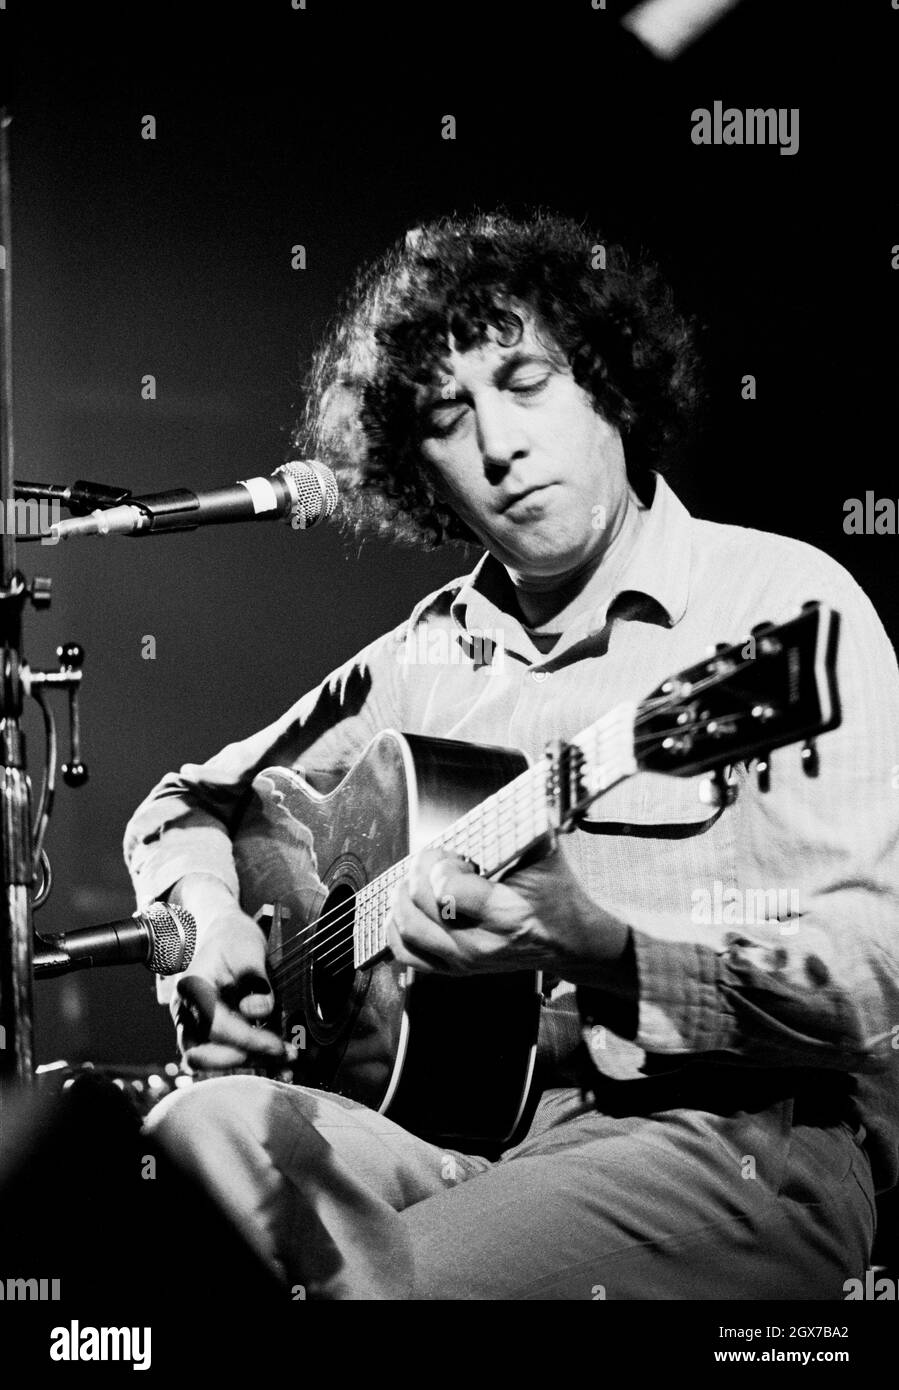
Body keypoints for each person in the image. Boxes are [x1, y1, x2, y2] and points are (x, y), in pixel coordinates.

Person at [125, 211, 899, 1300]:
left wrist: (605, 947)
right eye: (447, 416)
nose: (497, 444)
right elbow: (185, 804)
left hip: (726, 1146)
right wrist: (212, 925)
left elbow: (869, 981)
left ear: (607, 387)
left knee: (394, 1285)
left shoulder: (778, 608)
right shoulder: (425, 654)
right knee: (185, 1143)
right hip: (454, 1135)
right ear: (415, 469)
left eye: (525, 382)